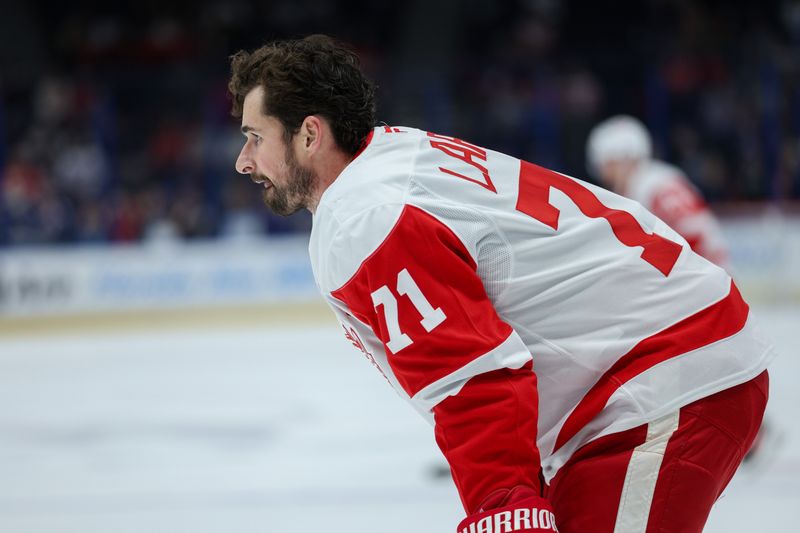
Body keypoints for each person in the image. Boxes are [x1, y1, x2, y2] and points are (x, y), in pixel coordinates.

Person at [228, 35, 774, 533]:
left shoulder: (365, 215)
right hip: (659, 365)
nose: (243, 160)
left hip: (659, 378)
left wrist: (504, 504)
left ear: (310, 133)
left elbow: (473, 375)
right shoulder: (391, 154)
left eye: (256, 137)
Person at [586, 115, 728, 268]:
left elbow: (699, 235)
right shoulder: (642, 187)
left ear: (624, 157)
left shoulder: (658, 187)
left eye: (608, 164)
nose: (605, 175)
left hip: (704, 280)